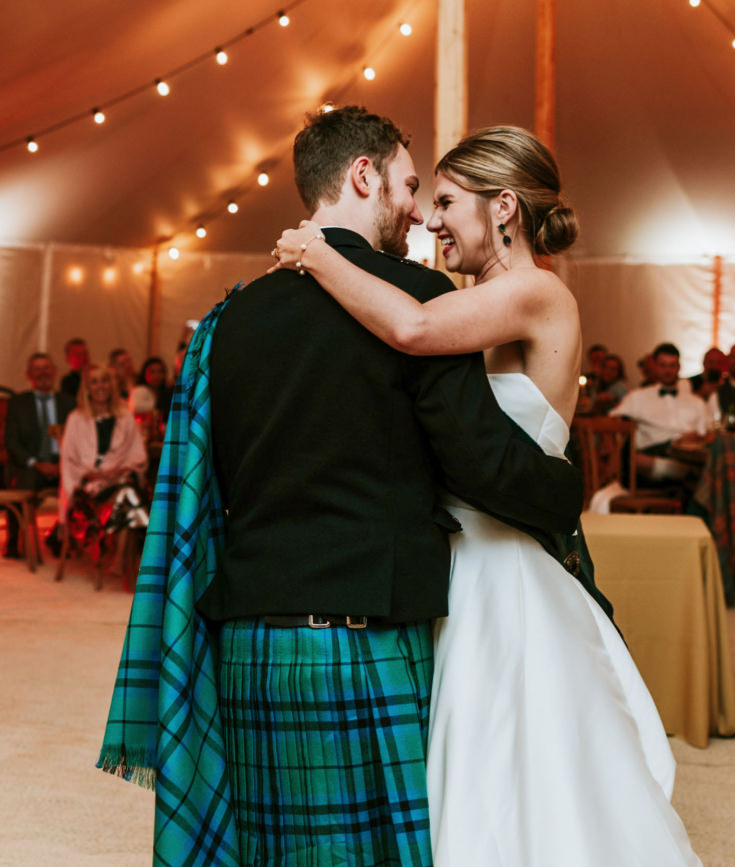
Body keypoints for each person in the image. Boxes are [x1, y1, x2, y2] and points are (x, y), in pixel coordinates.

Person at [99, 108, 588, 865]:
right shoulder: (420, 297)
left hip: (249, 640)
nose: (419, 210)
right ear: (364, 176)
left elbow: (207, 487)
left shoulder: (226, 321)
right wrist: (563, 494)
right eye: (409, 184)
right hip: (371, 635)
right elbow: (480, 465)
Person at [271, 122, 700, 864]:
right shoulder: (485, 297)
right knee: (471, 771)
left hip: (506, 569)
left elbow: (411, 326)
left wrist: (317, 250)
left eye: (445, 202)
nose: (430, 220)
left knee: (511, 768)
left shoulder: (536, 292)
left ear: (502, 207)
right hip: (458, 557)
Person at [58, 363, 149, 565]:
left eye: (105, 380)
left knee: (127, 490)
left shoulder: (125, 417)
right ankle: (129, 557)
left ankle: (119, 560)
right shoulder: (76, 419)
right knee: (130, 493)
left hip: (118, 480)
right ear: (87, 388)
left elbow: (138, 456)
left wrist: (116, 472)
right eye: (94, 382)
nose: (100, 386)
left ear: (112, 385)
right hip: (88, 486)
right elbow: (68, 461)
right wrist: (94, 476)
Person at [3, 353, 74, 558]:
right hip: (30, 464)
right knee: (24, 481)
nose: (42, 373)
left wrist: (62, 464)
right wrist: (36, 463)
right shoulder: (18, 403)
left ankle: (62, 538)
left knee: (79, 485)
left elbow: (78, 438)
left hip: (64, 463)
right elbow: (12, 442)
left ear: (54, 372)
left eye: (46, 368)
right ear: (28, 375)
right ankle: (14, 541)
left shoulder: (68, 402)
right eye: (37, 369)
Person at [612, 341, 712, 479]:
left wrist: (690, 440)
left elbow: (706, 434)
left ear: (678, 367)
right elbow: (611, 421)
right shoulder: (638, 397)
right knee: (638, 460)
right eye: (663, 365)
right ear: (655, 367)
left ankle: (689, 474)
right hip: (652, 457)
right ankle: (689, 474)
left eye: (672, 365)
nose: (667, 371)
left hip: (689, 456)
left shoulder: (696, 402)